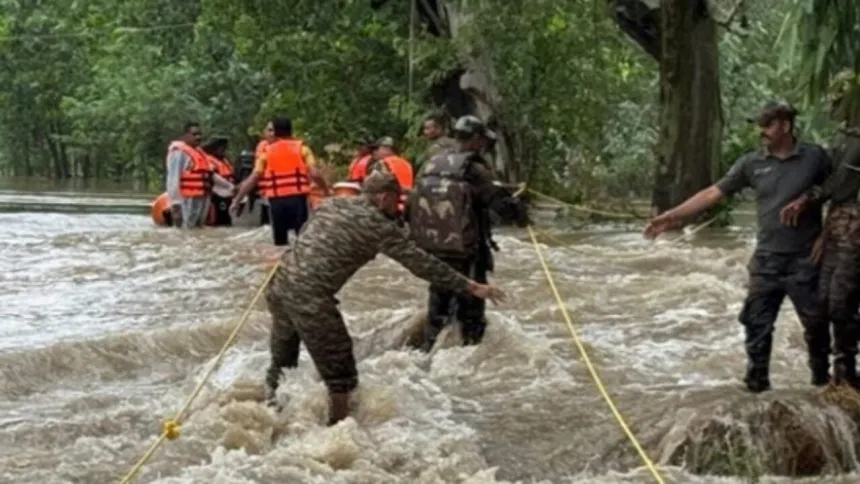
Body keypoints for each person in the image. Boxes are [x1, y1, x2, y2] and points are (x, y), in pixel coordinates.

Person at [263, 171, 507, 425]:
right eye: (396, 199)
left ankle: (269, 414)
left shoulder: (332, 204)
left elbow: (304, 235)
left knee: (282, 363)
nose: (398, 205)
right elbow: (422, 263)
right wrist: (469, 286)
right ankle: (337, 433)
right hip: (310, 299)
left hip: (279, 286)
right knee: (342, 378)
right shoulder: (379, 227)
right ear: (382, 198)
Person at [644, 101, 833, 393]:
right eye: (760, 125)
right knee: (757, 325)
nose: (762, 132)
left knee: (817, 325)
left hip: (805, 259)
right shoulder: (751, 164)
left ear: (785, 126)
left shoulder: (815, 157)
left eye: (767, 125)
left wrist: (827, 232)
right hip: (766, 260)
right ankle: (757, 386)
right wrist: (671, 216)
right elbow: (712, 193)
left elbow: (840, 190)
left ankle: (822, 383)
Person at [407, 115, 530, 351]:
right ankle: (468, 353)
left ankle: (429, 349)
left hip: (435, 248)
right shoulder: (474, 169)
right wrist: (520, 211)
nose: (483, 145)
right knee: (471, 311)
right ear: (474, 139)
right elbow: (500, 207)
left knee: (438, 303)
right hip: (468, 250)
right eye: (481, 140)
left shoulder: (432, 162)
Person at [781, 72, 860, 387]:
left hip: (856, 227)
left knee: (842, 300)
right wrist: (824, 233)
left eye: (837, 99)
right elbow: (834, 188)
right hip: (838, 223)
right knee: (824, 301)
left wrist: (806, 200)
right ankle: (829, 371)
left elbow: (837, 184)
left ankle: (847, 369)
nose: (831, 105)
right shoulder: (842, 137)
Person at [230, 117, 329, 246]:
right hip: (298, 199)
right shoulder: (303, 149)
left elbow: (254, 178)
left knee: (280, 242)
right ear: (291, 131)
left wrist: (237, 200)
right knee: (302, 240)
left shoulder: (266, 153)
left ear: (275, 132)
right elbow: (315, 173)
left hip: (276, 201)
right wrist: (326, 191)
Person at [164, 122, 234, 229]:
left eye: (200, 134)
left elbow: (211, 175)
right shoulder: (179, 152)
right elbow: (173, 179)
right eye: (194, 134)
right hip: (186, 199)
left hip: (201, 198)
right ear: (185, 135)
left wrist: (231, 188)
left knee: (197, 230)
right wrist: (175, 203)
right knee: (186, 229)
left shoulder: (199, 153)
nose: (198, 137)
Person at [367, 136, 414, 214]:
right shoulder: (407, 164)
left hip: (387, 207)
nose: (374, 152)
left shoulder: (381, 164)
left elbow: (371, 188)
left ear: (387, 149)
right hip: (405, 207)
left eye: (377, 149)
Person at [200, 136, 236, 227]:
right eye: (222, 147)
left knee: (226, 220)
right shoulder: (209, 160)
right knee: (217, 221)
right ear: (214, 148)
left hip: (227, 195)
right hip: (216, 195)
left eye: (225, 147)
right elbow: (213, 177)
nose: (224, 149)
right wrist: (230, 186)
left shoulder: (224, 160)